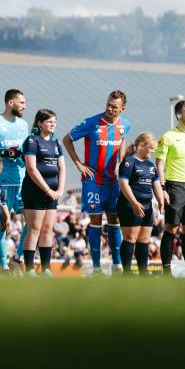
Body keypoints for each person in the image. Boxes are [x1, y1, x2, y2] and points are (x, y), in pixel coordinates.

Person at [63, 90, 130, 275]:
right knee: (95, 221)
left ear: (122, 109)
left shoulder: (125, 124)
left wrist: (121, 161)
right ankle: (97, 267)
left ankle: (117, 265)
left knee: (115, 221)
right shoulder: (91, 122)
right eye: (108, 104)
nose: (109, 108)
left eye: (114, 107)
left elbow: (122, 140)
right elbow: (67, 139)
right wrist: (78, 164)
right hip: (93, 181)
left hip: (114, 182)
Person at [0, 89, 29, 269]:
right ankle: (3, 266)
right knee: (2, 224)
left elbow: (25, 149)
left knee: (33, 223)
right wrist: (4, 152)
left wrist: (21, 154)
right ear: (11, 103)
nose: (25, 106)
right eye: (22, 103)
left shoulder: (23, 125)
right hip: (2, 182)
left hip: (22, 180)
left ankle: (17, 257)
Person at [21, 109, 66, 276]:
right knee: (35, 228)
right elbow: (31, 168)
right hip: (34, 191)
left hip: (53, 193)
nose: (53, 124)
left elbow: (62, 167)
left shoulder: (56, 143)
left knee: (48, 228)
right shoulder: (32, 141)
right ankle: (30, 269)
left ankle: (46, 268)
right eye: (49, 121)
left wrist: (59, 190)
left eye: (54, 121)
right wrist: (47, 190)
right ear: (40, 123)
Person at [155, 100, 185, 276]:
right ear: (179, 115)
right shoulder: (168, 137)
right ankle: (166, 271)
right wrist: (163, 188)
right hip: (175, 186)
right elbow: (159, 165)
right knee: (171, 228)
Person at [117, 133, 164, 275]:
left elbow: (156, 184)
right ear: (142, 145)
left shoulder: (150, 165)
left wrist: (161, 201)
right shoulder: (129, 162)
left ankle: (143, 273)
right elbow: (123, 183)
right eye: (151, 149)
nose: (152, 152)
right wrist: (134, 203)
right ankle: (126, 273)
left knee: (144, 240)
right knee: (130, 238)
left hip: (147, 206)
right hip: (130, 205)